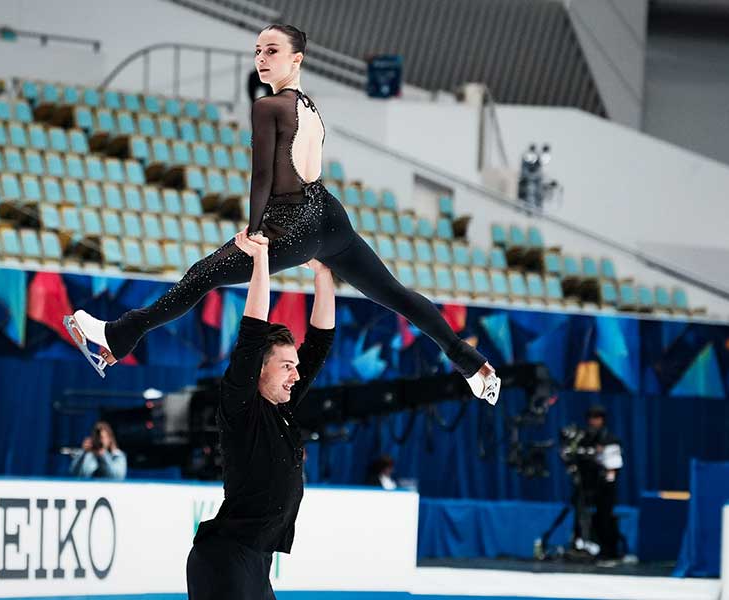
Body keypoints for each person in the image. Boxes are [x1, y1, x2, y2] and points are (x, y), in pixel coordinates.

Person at [64, 24, 500, 406]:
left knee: (201, 274)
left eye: (271, 51)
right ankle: (473, 367)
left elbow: (263, 177)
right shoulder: (308, 105)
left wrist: (255, 233)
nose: (261, 59)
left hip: (294, 222)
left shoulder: (268, 107)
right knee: (396, 294)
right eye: (257, 51)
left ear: (297, 58)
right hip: (329, 214)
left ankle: (116, 337)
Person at [186, 228, 335, 600]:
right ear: (260, 370)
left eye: (294, 366)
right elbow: (252, 333)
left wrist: (323, 274)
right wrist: (261, 259)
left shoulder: (282, 408)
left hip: (256, 562)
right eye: (286, 366)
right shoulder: (241, 406)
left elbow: (319, 343)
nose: (296, 375)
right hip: (225, 559)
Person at [576, 405, 623, 561]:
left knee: (604, 517)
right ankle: (581, 546)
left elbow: (614, 465)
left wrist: (608, 480)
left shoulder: (610, 439)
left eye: (596, 418)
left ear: (602, 420)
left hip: (605, 487)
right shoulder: (583, 438)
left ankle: (607, 551)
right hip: (586, 484)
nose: (593, 421)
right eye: (591, 418)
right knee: (581, 514)